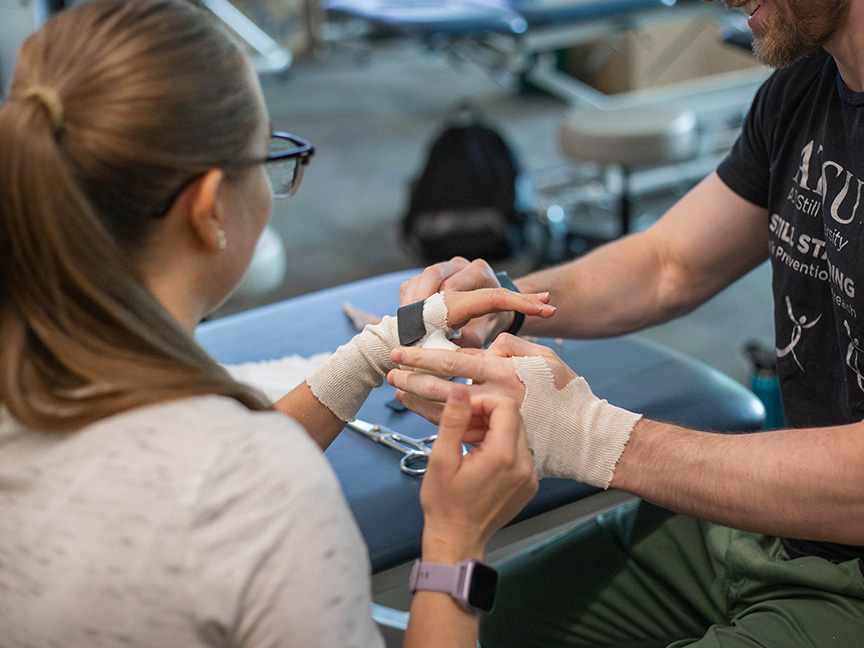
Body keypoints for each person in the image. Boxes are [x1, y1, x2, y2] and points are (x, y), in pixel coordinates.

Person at [0, 1, 559, 645]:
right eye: (266, 156)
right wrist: (457, 547)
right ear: (208, 209)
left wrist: (377, 350)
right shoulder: (259, 491)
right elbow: (226, 478)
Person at [387, 0, 864, 645]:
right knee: (479, 629)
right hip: (773, 520)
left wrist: (592, 436)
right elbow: (670, 263)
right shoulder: (805, 88)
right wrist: (509, 300)